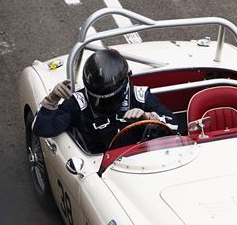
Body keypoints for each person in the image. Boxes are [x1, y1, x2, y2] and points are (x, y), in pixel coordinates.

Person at [33, 48, 174, 153]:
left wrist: (149, 117)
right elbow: (42, 129)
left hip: (141, 159)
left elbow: (174, 126)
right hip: (99, 170)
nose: (105, 105)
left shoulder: (140, 96)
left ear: (126, 83)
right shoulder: (77, 103)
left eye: (111, 97)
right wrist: (51, 100)